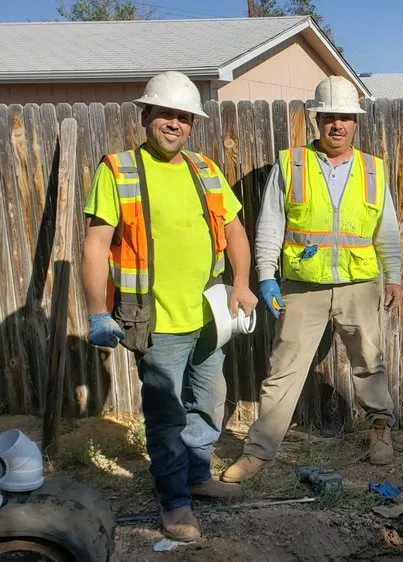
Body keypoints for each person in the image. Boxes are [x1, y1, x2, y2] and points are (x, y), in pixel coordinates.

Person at [81, 71, 258, 541]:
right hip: (154, 319)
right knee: (166, 418)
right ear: (146, 117)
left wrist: (241, 284)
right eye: (166, 114)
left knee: (209, 403)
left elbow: (235, 229)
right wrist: (98, 311)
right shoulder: (118, 170)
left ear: (192, 124)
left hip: (209, 315)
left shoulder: (204, 168)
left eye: (184, 117)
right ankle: (174, 502)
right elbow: (96, 245)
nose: (174, 124)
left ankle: (197, 478)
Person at [221, 75, 403, 484]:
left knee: (368, 362)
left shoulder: (374, 169)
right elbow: (270, 224)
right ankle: (259, 451)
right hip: (302, 288)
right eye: (329, 117)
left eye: (345, 118)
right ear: (316, 119)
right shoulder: (292, 163)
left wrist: (394, 277)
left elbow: (387, 229)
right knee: (284, 368)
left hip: (360, 284)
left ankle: (379, 429)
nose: (337, 125)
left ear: (356, 123)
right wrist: (266, 276)